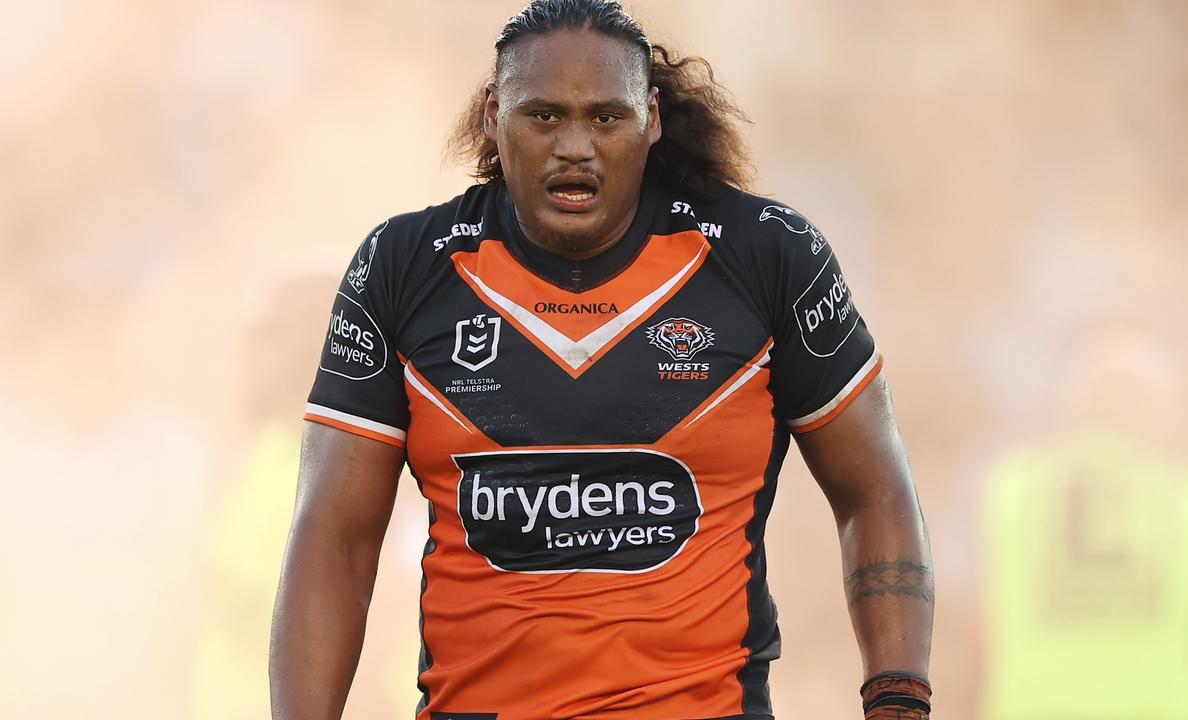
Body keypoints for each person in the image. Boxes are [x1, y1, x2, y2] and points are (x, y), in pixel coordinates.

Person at [270, 1, 933, 718]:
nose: (575, 146)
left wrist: (898, 698)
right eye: (545, 116)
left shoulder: (767, 254)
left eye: (606, 118)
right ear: (494, 113)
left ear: (650, 118)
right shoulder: (404, 266)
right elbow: (334, 538)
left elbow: (875, 490)